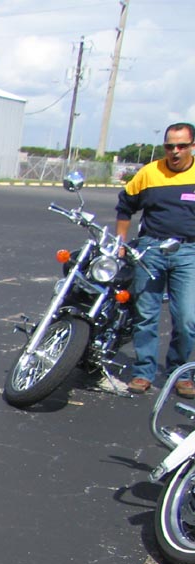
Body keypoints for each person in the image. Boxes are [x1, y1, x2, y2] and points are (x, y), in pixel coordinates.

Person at [115, 123, 195, 398]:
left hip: (188, 252)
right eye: (170, 146)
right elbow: (125, 206)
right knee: (145, 314)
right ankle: (144, 371)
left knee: (187, 319)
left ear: (192, 146)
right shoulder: (150, 173)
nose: (175, 151)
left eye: (181, 146)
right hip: (151, 250)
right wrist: (121, 243)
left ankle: (179, 372)